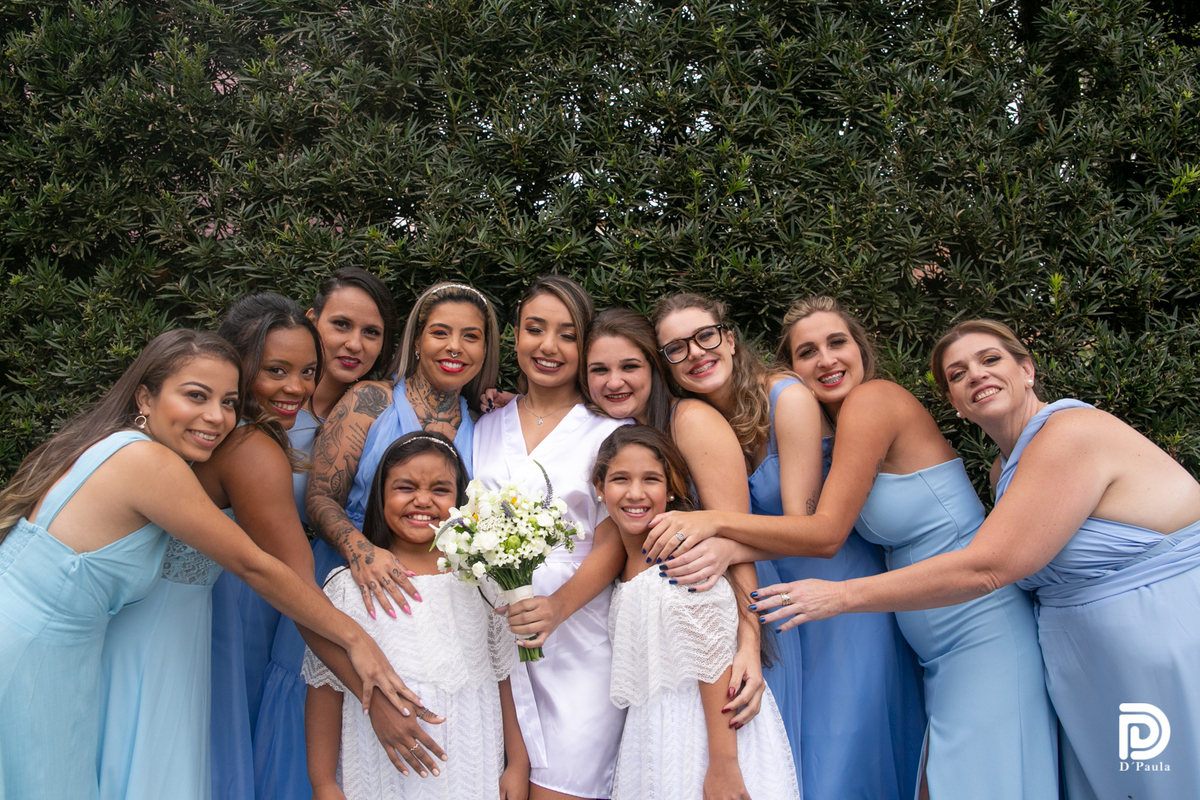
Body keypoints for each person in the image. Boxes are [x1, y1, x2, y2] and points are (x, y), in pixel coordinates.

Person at [763, 318, 1200, 799]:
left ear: (1027, 369)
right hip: (1084, 659)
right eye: (957, 374)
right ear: (952, 401)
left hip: (1157, 641)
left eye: (990, 360)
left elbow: (989, 566)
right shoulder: (1002, 472)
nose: (975, 375)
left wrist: (840, 595)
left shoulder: (1071, 432)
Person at [664, 299, 1060, 798]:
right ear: (794, 367)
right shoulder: (833, 421)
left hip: (977, 622)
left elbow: (825, 534)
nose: (826, 360)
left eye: (837, 343)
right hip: (922, 633)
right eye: (808, 352)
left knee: (987, 781)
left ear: (862, 349)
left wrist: (713, 525)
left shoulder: (874, 400)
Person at [0, 330, 412, 800]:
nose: (216, 417)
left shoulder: (117, 444)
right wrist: (356, 638)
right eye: (196, 396)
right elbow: (253, 565)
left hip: (53, 649)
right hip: (34, 653)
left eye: (229, 402)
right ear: (145, 396)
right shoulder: (148, 462)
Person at [647, 294, 927, 799]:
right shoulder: (696, 420)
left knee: (841, 758)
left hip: (836, 595)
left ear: (729, 340)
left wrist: (716, 529)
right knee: (791, 759)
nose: (695, 353)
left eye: (705, 336)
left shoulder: (787, 397)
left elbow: (807, 526)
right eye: (675, 348)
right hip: (774, 602)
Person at [101, 293, 322, 800]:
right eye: (276, 370)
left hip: (175, 624)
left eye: (309, 371)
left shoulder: (202, 435)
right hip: (197, 629)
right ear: (240, 368)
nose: (297, 387)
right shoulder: (245, 446)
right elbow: (293, 575)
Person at [305, 280, 500, 770]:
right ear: (417, 340)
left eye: (471, 336)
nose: (455, 347)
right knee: (342, 732)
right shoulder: (368, 400)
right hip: (352, 594)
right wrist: (360, 551)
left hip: (436, 603)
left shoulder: (487, 420)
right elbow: (319, 496)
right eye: (440, 333)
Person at [304, 432, 528, 800]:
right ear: (381, 495)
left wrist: (517, 763)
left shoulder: (484, 582)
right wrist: (324, 783)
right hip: (379, 763)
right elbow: (325, 688)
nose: (422, 500)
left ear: (461, 501)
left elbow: (505, 677)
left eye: (440, 490)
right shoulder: (347, 586)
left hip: (470, 758)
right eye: (405, 487)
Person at [472, 275, 626, 800]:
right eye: (535, 329)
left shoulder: (606, 430)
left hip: (579, 638)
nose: (548, 346)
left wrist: (559, 606)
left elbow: (614, 541)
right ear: (514, 336)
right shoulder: (483, 422)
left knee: (566, 784)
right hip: (492, 636)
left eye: (567, 335)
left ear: (584, 347)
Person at [247, 272, 398, 800]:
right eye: (340, 324)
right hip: (241, 591)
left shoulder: (378, 414)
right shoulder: (265, 406)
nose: (354, 344)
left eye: (371, 332)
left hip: (312, 593)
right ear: (311, 322)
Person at [580, 308, 766, 728]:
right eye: (599, 370)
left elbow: (740, 540)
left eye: (630, 366)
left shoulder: (691, 422)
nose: (614, 381)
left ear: (654, 366)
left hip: (724, 628)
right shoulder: (617, 432)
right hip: (663, 651)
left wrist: (750, 646)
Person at [595, 425, 799, 800]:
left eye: (651, 479)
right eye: (620, 479)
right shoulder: (628, 567)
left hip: (705, 737)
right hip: (655, 731)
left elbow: (714, 664)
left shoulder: (684, 562)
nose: (635, 493)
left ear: (672, 488)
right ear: (599, 488)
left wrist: (722, 764)